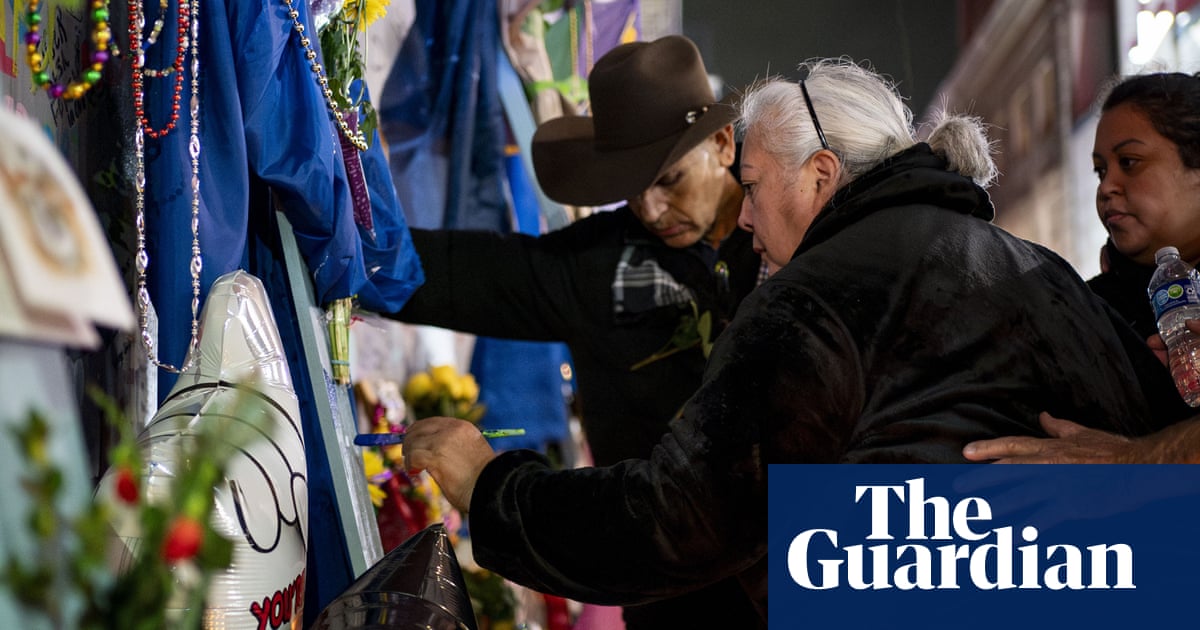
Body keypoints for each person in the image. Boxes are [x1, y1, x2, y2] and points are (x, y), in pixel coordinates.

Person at [399, 58, 1183, 622]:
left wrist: (492, 490)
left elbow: (682, 518)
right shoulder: (1036, 270)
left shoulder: (819, 292)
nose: (743, 220)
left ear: (820, 175)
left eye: (752, 187)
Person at [388, 35, 762, 628]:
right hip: (665, 598)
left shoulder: (799, 252)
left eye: (668, 180)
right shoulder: (598, 266)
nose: (651, 210)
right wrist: (335, 241)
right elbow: (463, 276)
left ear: (721, 144)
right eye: (630, 190)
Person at [963, 71, 1200, 464]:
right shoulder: (1077, 309)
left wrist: (1132, 462)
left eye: (1130, 162)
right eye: (1101, 171)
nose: (1106, 187)